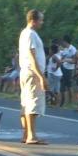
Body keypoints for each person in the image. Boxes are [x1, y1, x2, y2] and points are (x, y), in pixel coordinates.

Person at [18, 10, 48, 145]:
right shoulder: (30, 34)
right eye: (41, 20)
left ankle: (25, 134)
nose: (42, 22)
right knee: (33, 103)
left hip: (26, 72)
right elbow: (32, 55)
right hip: (32, 72)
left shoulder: (25, 33)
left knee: (26, 102)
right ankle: (31, 135)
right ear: (33, 20)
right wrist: (41, 76)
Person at [59, 36, 77, 106]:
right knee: (62, 85)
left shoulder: (72, 49)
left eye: (63, 42)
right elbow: (62, 57)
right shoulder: (65, 49)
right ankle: (62, 102)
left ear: (65, 41)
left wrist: (66, 60)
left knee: (69, 86)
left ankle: (71, 102)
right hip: (63, 68)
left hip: (69, 69)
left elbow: (75, 61)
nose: (62, 43)